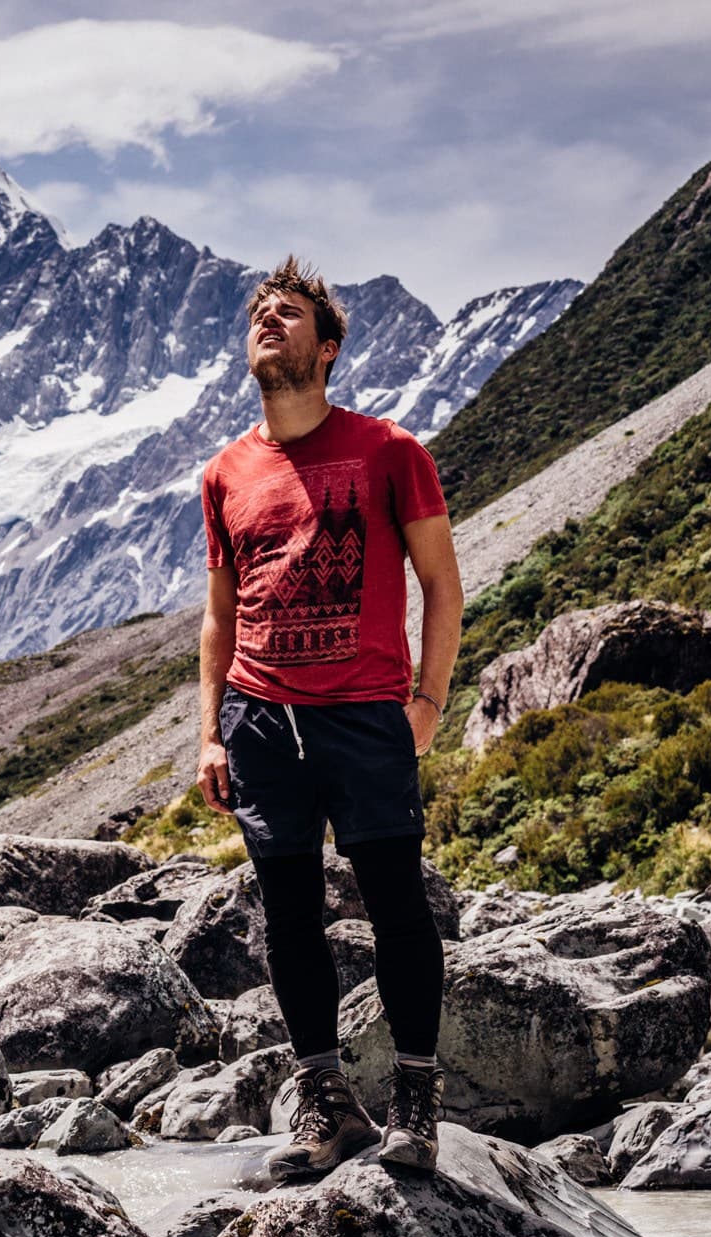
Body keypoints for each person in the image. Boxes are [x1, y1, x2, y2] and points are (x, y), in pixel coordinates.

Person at [195, 256, 465, 1177]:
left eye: (291, 312)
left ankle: (416, 1104)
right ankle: (327, 1103)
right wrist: (208, 730)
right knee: (288, 917)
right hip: (263, 720)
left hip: (365, 715)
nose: (269, 320)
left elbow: (440, 584)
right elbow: (220, 614)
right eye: (260, 312)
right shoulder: (225, 472)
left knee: (396, 904)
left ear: (329, 345)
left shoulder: (391, 451)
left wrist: (427, 700)